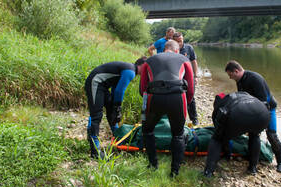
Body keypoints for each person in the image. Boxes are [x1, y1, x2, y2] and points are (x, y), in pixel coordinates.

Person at [140, 40, 195, 177]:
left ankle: (153, 165)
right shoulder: (184, 59)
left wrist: (148, 102)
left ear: (164, 49)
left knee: (147, 130)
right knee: (178, 134)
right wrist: (185, 103)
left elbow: (142, 88)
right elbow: (191, 88)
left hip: (154, 97)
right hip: (177, 98)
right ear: (177, 50)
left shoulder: (150, 60)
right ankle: (174, 171)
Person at [225, 60, 281, 172]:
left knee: (271, 135)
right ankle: (253, 166)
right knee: (253, 134)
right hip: (253, 109)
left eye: (230, 75)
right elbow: (243, 97)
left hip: (268, 108)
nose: (230, 78)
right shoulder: (239, 80)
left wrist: (256, 120)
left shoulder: (255, 78)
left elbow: (265, 101)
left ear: (236, 71)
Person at [85, 57, 146, 159]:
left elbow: (115, 87)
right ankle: (95, 151)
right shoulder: (130, 71)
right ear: (142, 65)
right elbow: (119, 91)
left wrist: (114, 107)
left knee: (111, 112)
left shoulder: (129, 69)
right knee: (96, 115)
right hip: (95, 82)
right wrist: (117, 106)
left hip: (103, 86)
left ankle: (119, 138)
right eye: (147, 68)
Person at [203, 92, 270, 176]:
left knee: (217, 139)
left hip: (239, 114)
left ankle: (208, 171)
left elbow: (219, 130)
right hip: (262, 113)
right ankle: (253, 168)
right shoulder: (241, 94)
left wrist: (226, 150)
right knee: (254, 135)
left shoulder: (221, 104)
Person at [173, 32, 199, 125]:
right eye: (177, 42)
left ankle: (194, 118)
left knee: (191, 97)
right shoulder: (171, 49)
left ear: (183, 39)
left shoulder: (189, 48)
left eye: (181, 41)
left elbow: (194, 62)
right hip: (176, 77)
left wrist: (195, 76)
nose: (179, 43)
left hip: (188, 76)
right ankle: (179, 118)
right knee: (177, 97)